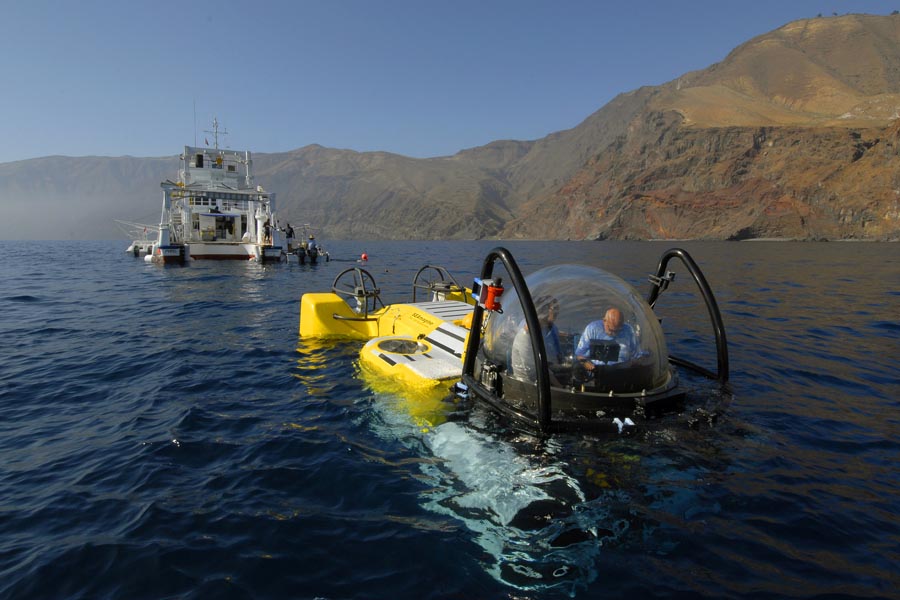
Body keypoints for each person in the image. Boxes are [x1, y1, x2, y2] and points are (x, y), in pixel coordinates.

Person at [510, 296, 562, 382]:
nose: (557, 312)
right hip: (531, 384)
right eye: (554, 308)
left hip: (545, 370)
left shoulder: (549, 328)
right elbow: (532, 370)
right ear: (544, 311)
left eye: (558, 308)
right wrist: (558, 385)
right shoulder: (527, 334)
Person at [575, 307, 637, 372]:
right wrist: (585, 363)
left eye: (617, 331)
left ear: (622, 325)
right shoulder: (592, 329)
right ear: (604, 321)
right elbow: (580, 354)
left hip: (621, 370)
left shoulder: (628, 330)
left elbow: (635, 354)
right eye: (611, 330)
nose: (614, 334)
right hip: (598, 370)